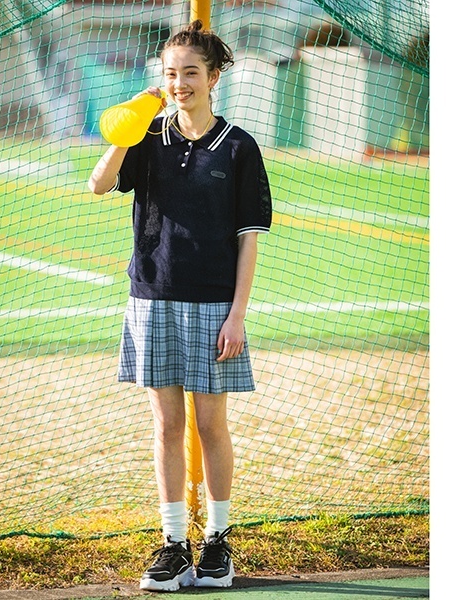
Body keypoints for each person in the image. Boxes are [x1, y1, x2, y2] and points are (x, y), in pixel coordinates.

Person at [88, 19, 272, 592]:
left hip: (214, 304)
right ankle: (174, 546)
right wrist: (130, 123)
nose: (179, 83)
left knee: (211, 425)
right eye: (170, 73)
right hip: (152, 297)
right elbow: (99, 183)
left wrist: (237, 314)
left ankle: (217, 542)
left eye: (190, 72)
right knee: (167, 425)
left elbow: (248, 239)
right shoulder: (148, 135)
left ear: (213, 78)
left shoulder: (239, 146)